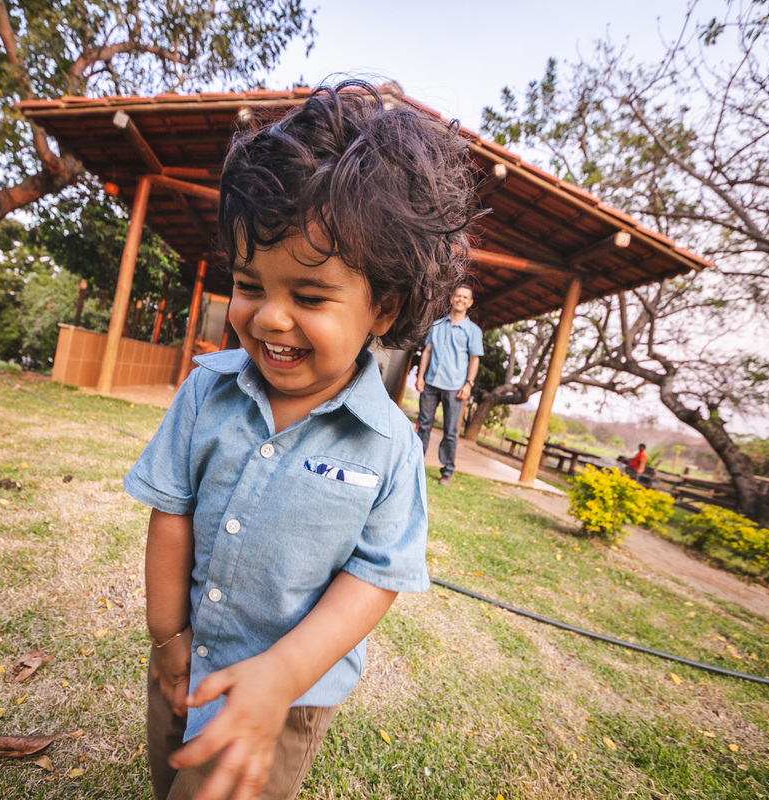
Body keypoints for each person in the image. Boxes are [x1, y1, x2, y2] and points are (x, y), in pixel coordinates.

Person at [123, 81, 473, 800]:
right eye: (250, 284)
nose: (270, 319)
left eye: (309, 297)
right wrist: (168, 643)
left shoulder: (390, 449)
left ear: (384, 307)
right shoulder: (206, 393)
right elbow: (172, 514)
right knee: (169, 781)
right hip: (188, 663)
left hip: (287, 700)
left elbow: (375, 577)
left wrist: (281, 676)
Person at [414, 285, 483, 486]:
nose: (460, 299)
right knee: (423, 426)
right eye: (457, 295)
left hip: (455, 387)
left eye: (465, 297)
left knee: (450, 431)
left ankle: (447, 471)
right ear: (452, 298)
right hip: (431, 383)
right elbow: (427, 351)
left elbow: (474, 359)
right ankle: (415, 464)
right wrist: (420, 376)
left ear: (469, 303)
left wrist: (468, 384)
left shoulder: (473, 331)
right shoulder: (437, 325)